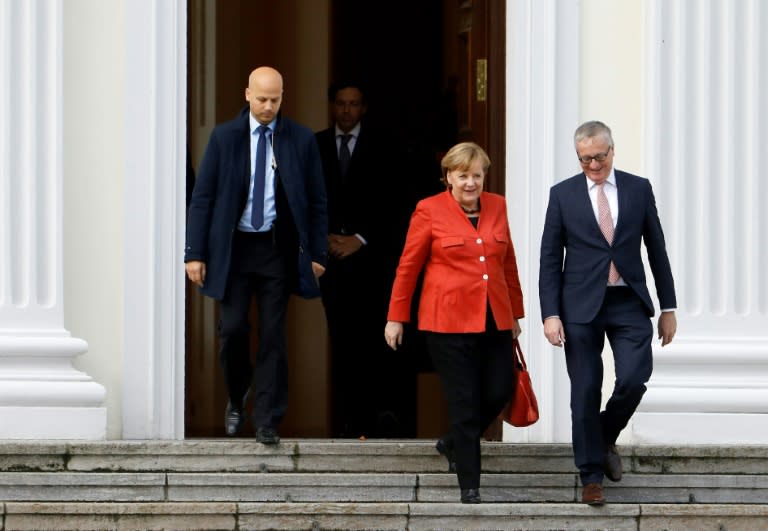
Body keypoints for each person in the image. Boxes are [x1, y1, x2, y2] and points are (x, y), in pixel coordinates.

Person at [185, 66, 328, 445]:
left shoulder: (298, 139)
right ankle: (237, 394)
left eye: (275, 100)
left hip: (276, 248)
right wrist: (194, 253)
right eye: (262, 99)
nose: (268, 106)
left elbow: (316, 200)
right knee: (231, 331)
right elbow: (203, 198)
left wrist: (316, 253)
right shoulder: (225, 137)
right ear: (247, 94)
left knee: (273, 337)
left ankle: (267, 419)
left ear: (283, 96)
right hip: (234, 249)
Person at [539, 120, 677, 505]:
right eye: (585, 160)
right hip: (579, 306)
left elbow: (657, 249)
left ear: (612, 151)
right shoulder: (563, 194)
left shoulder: (638, 188)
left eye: (599, 157)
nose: (594, 165)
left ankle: (601, 436)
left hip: (628, 300)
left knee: (634, 377)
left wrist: (668, 306)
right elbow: (550, 258)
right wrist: (550, 313)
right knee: (584, 389)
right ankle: (591, 476)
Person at [384, 142, 525, 504]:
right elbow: (408, 266)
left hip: (493, 319)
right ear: (448, 176)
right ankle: (470, 485)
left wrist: (515, 315)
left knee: (500, 388)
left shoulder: (498, 206)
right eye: (462, 175)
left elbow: (507, 263)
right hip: (445, 322)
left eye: (476, 175)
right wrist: (396, 316)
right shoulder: (428, 210)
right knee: (464, 402)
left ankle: (451, 443)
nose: (470, 183)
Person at [315, 81, 414, 438]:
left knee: (376, 340)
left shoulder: (384, 145)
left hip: (373, 262)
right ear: (332, 105)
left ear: (363, 108)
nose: (346, 110)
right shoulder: (317, 144)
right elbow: (308, 196)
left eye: (353, 104)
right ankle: (347, 420)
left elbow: (396, 201)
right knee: (342, 341)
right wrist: (323, 237)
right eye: (340, 103)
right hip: (330, 261)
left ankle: (380, 418)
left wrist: (360, 238)